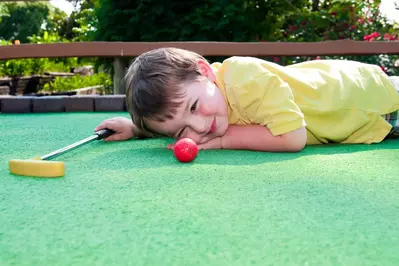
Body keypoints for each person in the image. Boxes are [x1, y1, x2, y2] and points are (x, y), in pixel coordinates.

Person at [94, 47, 399, 152]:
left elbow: (293, 138)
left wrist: (225, 141)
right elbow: (178, 119)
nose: (200, 127)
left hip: (376, 102)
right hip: (361, 107)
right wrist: (137, 129)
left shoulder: (245, 77)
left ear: (205, 71)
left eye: (195, 107)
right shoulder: (202, 95)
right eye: (180, 131)